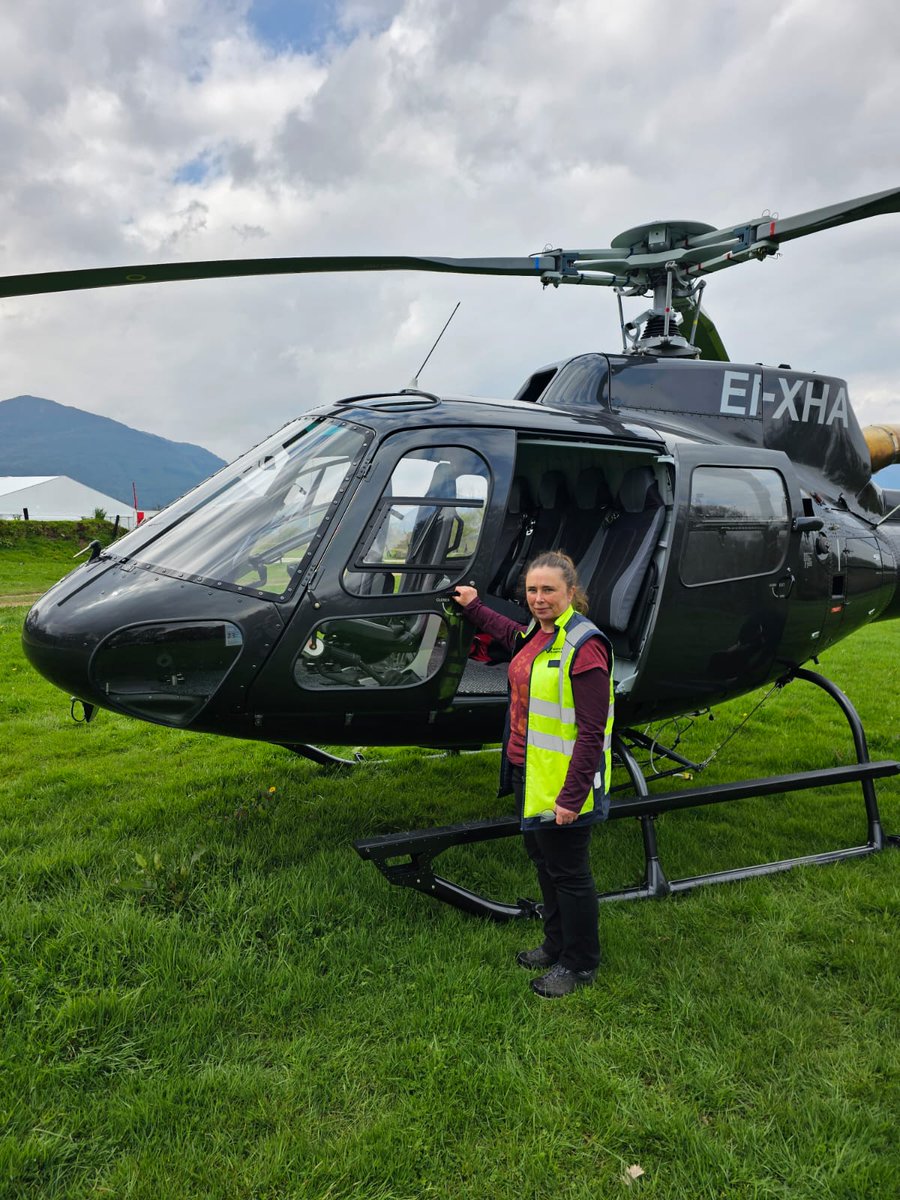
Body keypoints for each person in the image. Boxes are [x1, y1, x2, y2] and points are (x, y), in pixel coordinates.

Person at [453, 550, 614, 998]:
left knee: (569, 872)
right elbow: (510, 633)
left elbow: (591, 731)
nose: (538, 599)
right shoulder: (539, 633)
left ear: (570, 592)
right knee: (545, 864)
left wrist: (571, 796)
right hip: (531, 772)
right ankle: (555, 943)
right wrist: (473, 606)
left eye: (549, 591)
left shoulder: (584, 646)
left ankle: (580, 964)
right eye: (532, 590)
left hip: (564, 782)